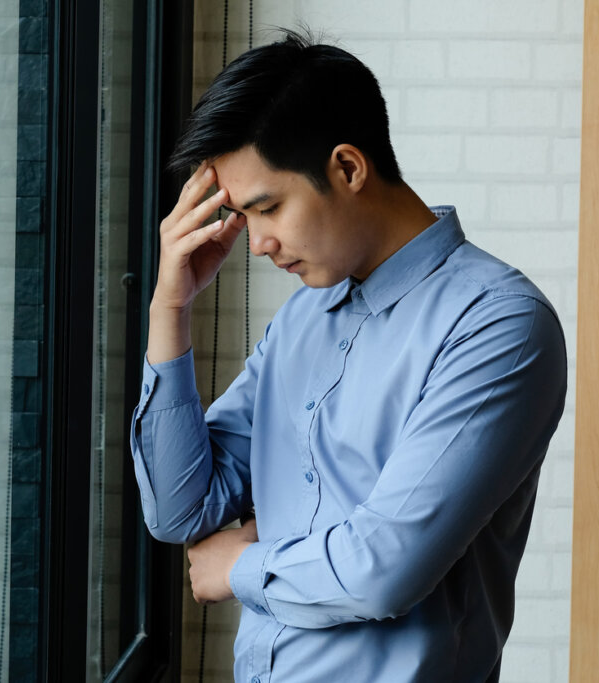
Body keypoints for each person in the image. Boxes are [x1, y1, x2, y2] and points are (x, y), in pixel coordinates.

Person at [130, 32, 567, 682]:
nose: (257, 244)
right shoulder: (302, 318)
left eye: (268, 207)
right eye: (244, 216)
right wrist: (170, 309)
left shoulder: (498, 324)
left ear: (349, 168)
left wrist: (241, 567)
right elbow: (181, 510)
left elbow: (386, 566)